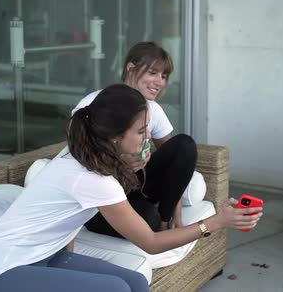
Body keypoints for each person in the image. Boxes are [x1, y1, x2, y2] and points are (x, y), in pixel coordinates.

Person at [0, 84, 262, 292]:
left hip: (46, 256)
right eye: (140, 131)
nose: (147, 137)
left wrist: (128, 165)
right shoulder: (92, 179)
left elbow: (67, 212)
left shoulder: (85, 156)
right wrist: (217, 222)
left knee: (136, 282)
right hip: (2, 272)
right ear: (114, 137)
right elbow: (150, 242)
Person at [73, 41, 195, 236]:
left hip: (134, 187)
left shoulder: (152, 108)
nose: (160, 82)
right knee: (148, 220)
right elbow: (78, 163)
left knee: (184, 145)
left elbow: (176, 162)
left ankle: (164, 221)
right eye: (153, 73)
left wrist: (175, 214)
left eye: (164, 76)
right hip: (101, 198)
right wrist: (120, 162)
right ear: (131, 68)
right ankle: (156, 220)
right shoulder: (94, 104)